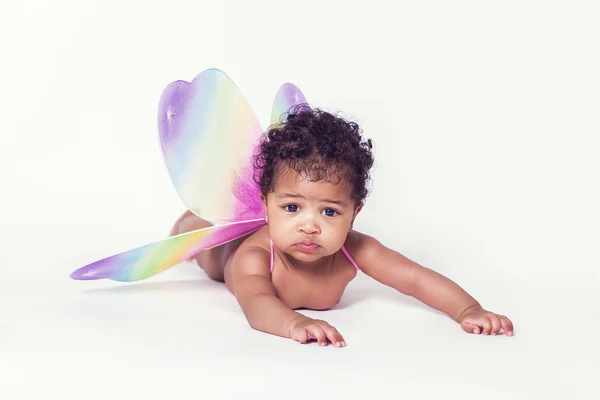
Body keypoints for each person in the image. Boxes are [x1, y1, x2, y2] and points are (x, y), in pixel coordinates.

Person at [169, 105, 514, 348]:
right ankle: (190, 221)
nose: (310, 226)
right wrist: (294, 324)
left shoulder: (357, 248)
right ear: (266, 203)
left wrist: (469, 309)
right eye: (291, 207)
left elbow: (415, 278)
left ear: (354, 213)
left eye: (330, 212)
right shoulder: (254, 258)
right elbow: (257, 303)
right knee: (207, 248)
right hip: (229, 250)